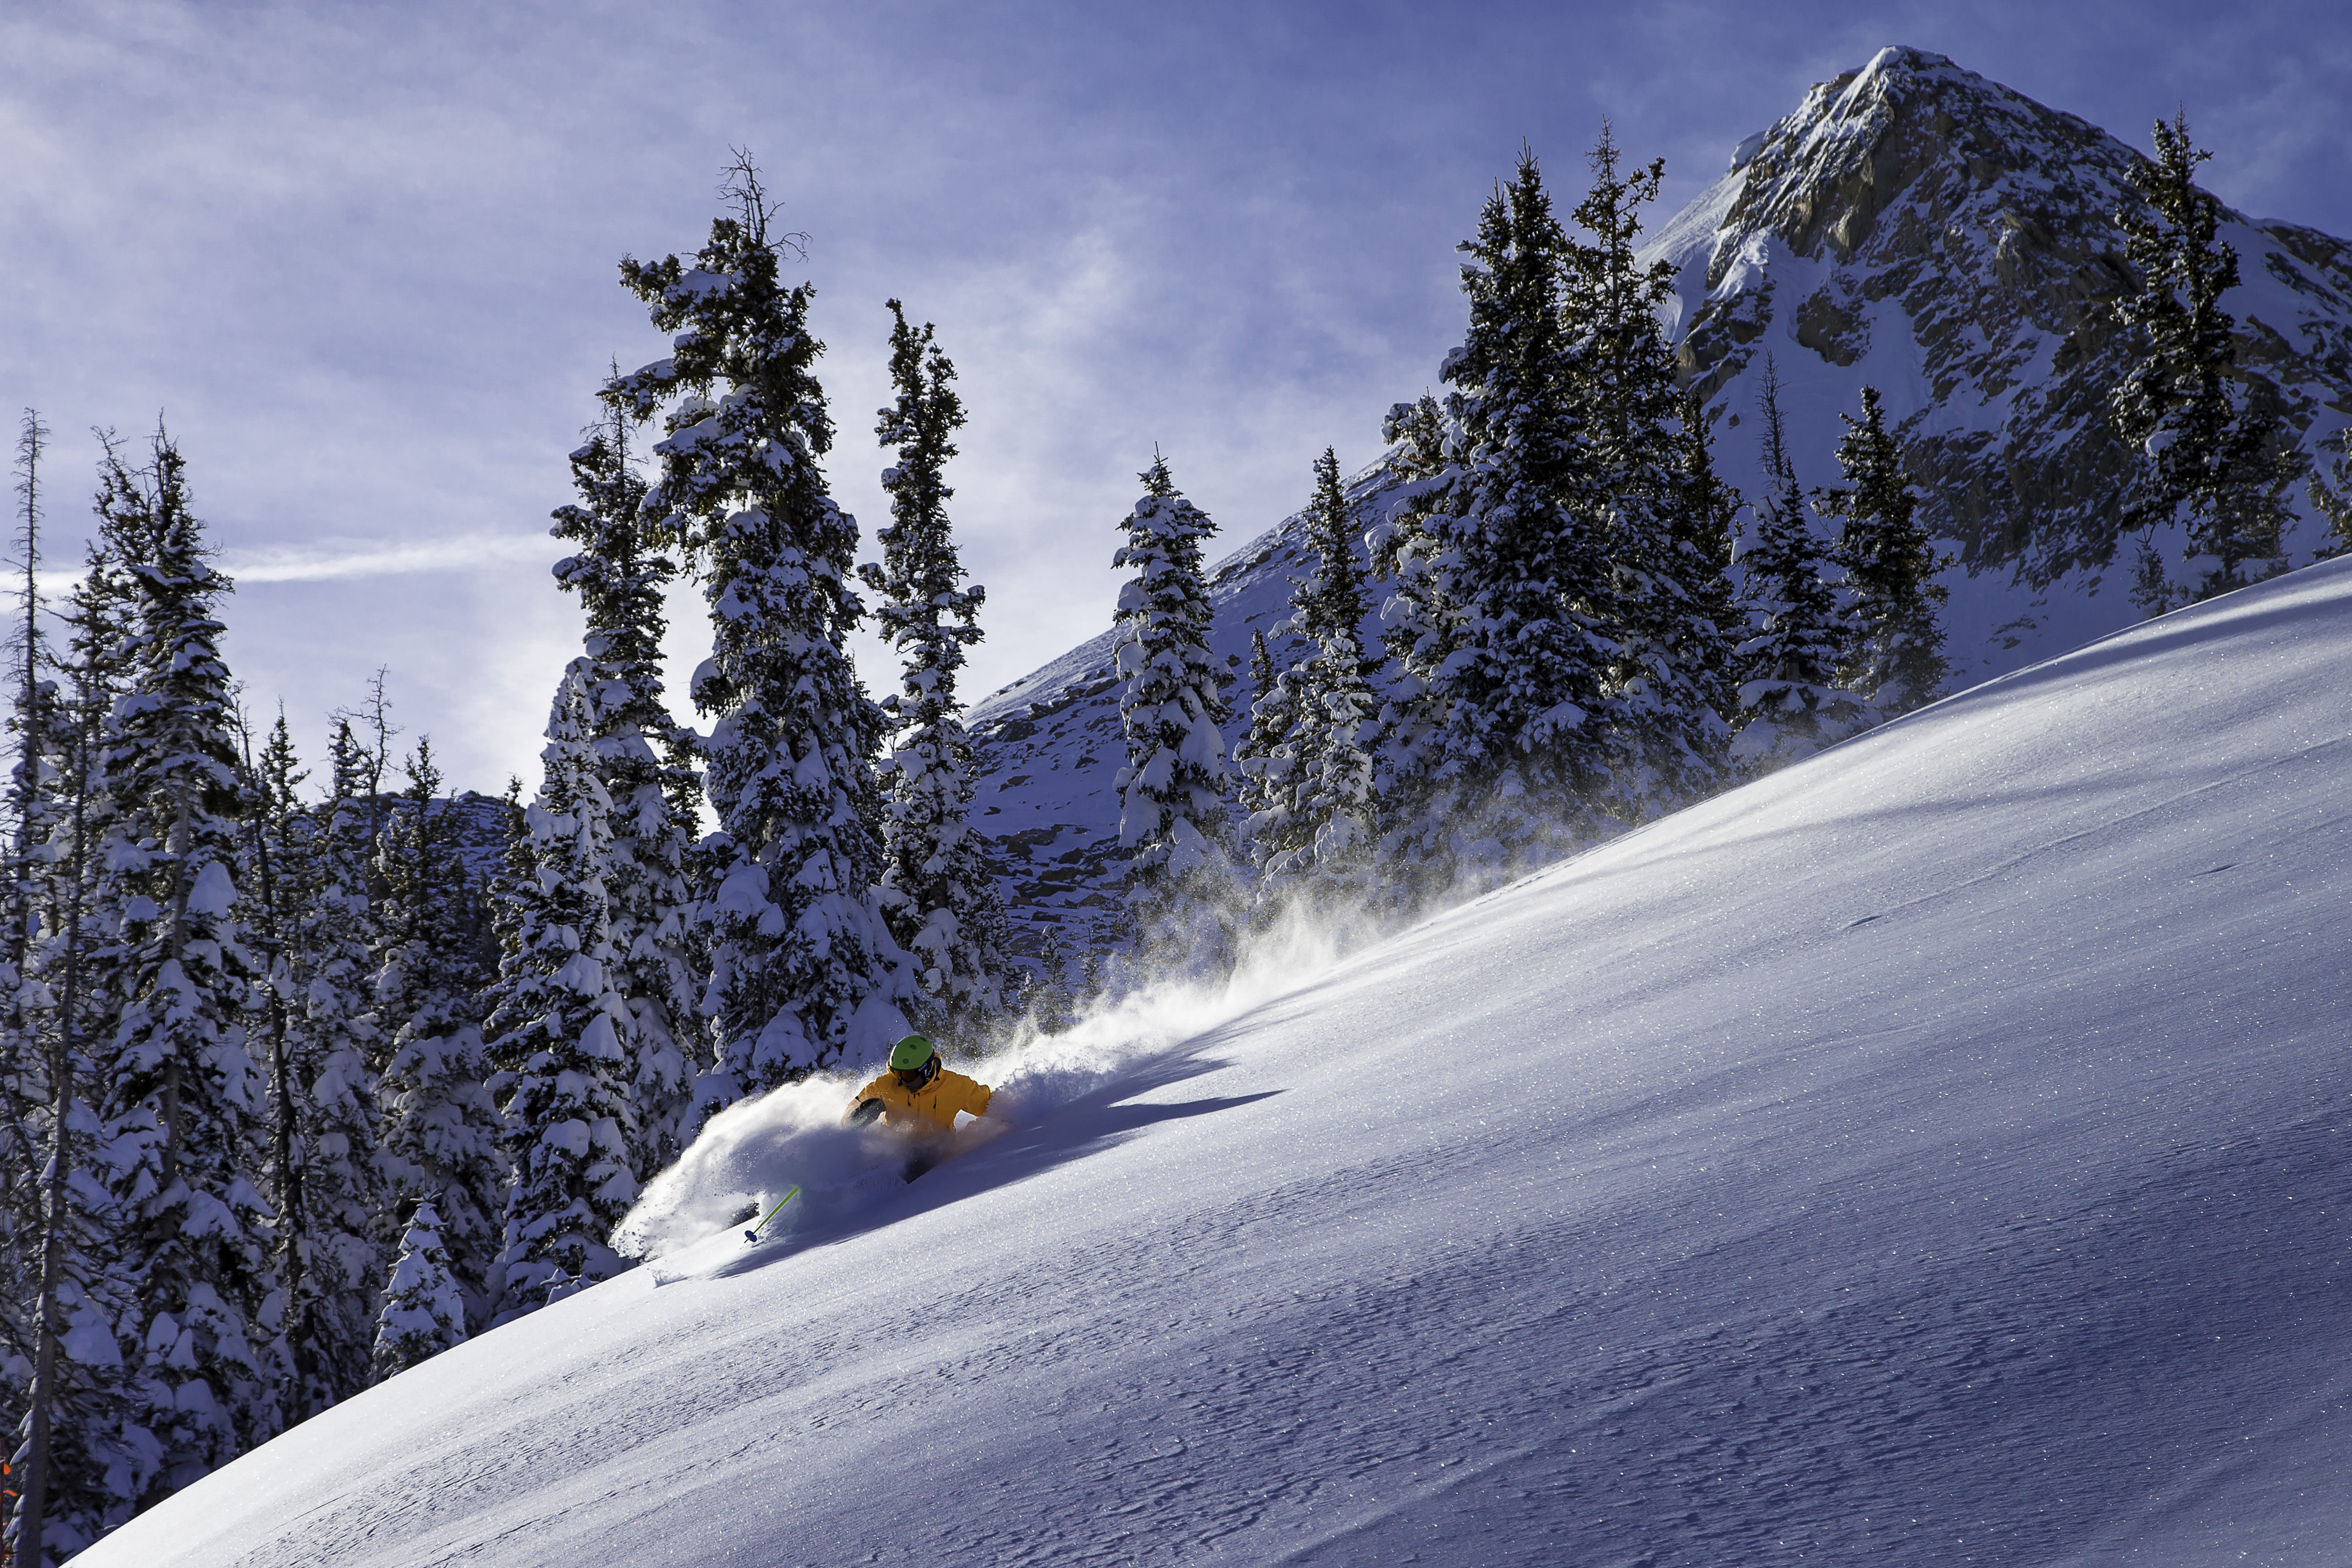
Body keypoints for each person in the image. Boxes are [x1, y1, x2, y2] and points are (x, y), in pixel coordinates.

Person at [845, 1034, 995, 1180]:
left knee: (921, 1163)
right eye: (898, 1073)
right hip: (891, 1151)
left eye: (909, 1075)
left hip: (937, 1155)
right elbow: (848, 1122)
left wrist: (1015, 1114)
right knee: (867, 1173)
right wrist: (860, 1117)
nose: (903, 1080)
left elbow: (993, 1106)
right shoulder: (885, 1086)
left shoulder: (957, 1087)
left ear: (927, 1070)